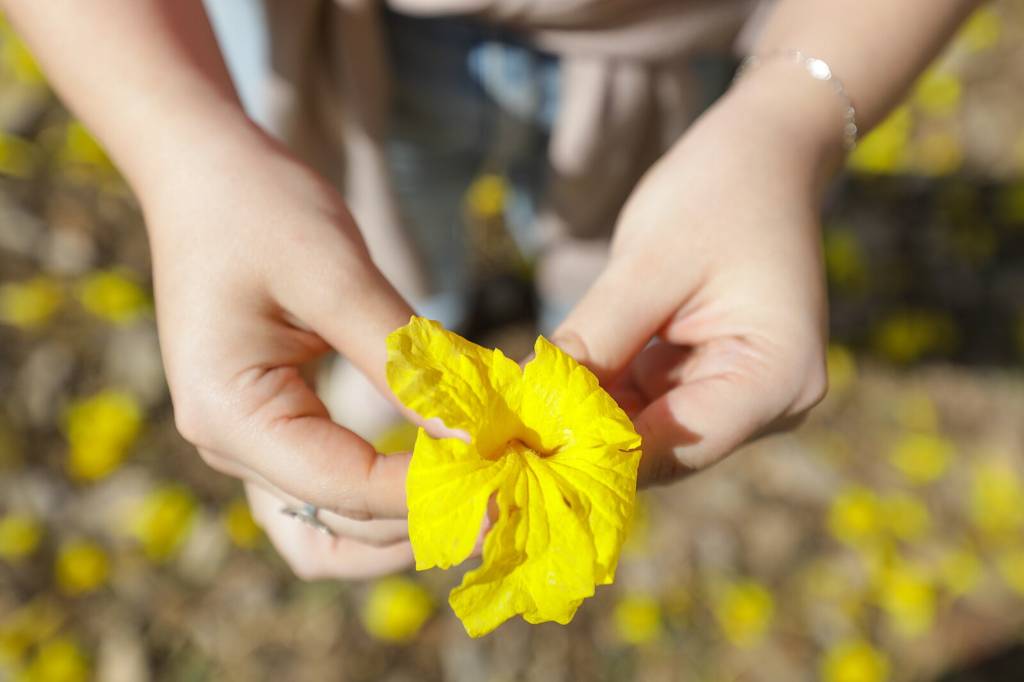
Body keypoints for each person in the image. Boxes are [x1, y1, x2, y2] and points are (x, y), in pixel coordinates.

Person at [0, 0, 980, 580]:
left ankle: (566, 333)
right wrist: (184, 147)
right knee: (378, 247)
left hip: (682, 48)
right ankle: (419, 330)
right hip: (351, 39)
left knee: (618, 275)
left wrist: (789, 116)